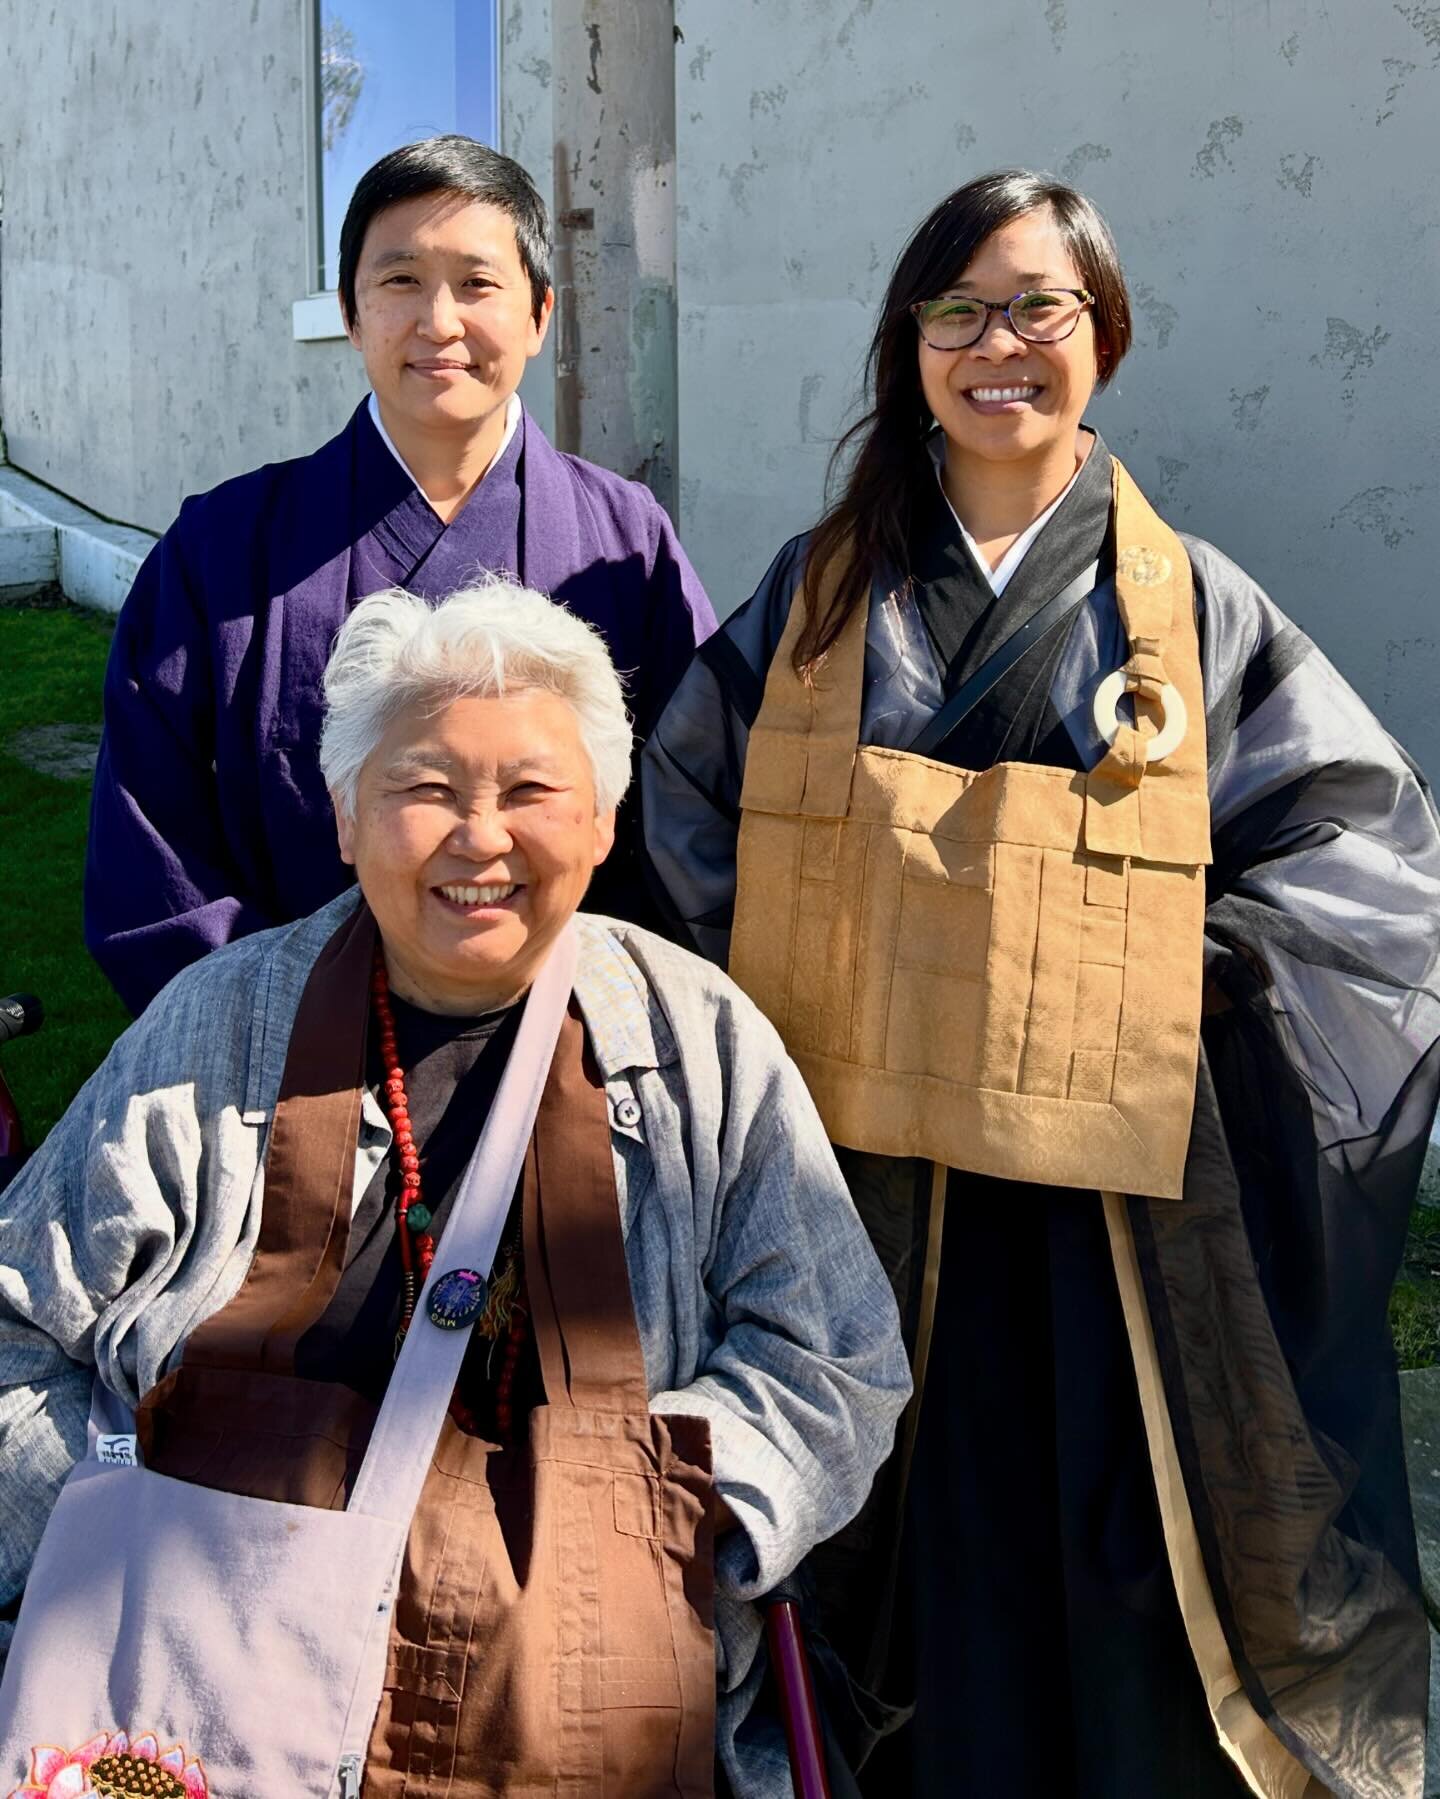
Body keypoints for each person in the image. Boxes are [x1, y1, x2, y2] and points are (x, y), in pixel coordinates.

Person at [642, 169, 1440, 1799]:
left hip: (1122, 1233)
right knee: (893, 1561)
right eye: (957, 310)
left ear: (1103, 335)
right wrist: (807, 975)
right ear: (911, 340)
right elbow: (679, 824)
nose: (997, 344)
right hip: (862, 1186)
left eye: (1038, 309)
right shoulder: (816, 598)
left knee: (1118, 1584)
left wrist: (1155, 973)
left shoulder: (1192, 604)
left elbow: (1364, 861)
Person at [0, 580, 908, 1797]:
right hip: (203, 1688)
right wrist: (121, 1498)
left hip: (589, 1691)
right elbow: (15, 1323)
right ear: (343, 816)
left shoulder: (698, 1043)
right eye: (425, 787)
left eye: (532, 791)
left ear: (602, 821)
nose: (481, 837)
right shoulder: (216, 1028)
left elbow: (836, 1358)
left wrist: (656, 1518)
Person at [85, 135, 715, 1017]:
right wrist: (267, 1030)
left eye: (477, 283)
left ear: (540, 314)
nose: (440, 322)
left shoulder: (626, 542)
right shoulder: (223, 549)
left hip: (564, 1042)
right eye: (401, 281)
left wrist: (598, 1019)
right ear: (351, 311)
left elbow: (695, 812)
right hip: (276, 1052)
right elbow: (152, 848)